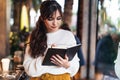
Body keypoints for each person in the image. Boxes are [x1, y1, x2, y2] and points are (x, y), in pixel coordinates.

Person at [23, 1, 80, 80]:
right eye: (50, 19)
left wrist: (67, 65)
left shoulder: (68, 36)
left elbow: (75, 68)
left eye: (58, 18)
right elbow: (28, 69)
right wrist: (46, 56)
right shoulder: (34, 37)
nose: (55, 23)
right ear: (43, 18)